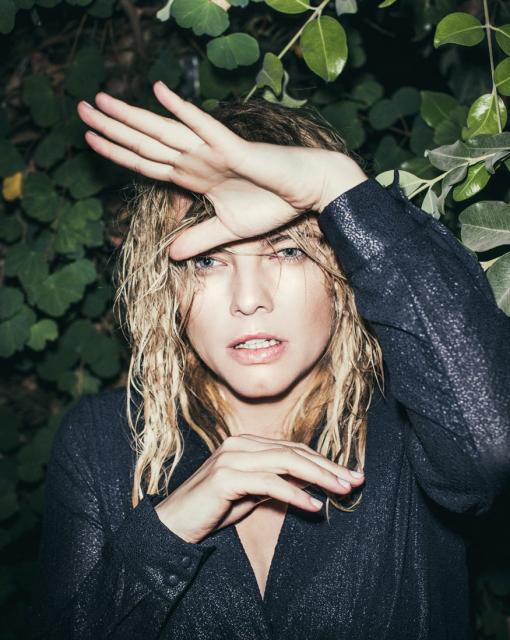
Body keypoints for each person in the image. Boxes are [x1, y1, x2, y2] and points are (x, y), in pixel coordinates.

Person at [29, 81, 510, 640]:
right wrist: (166, 534)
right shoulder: (102, 443)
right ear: (166, 285)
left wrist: (335, 186)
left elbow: (492, 444)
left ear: (342, 271)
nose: (249, 299)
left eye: (288, 250)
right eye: (208, 260)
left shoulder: (413, 424)